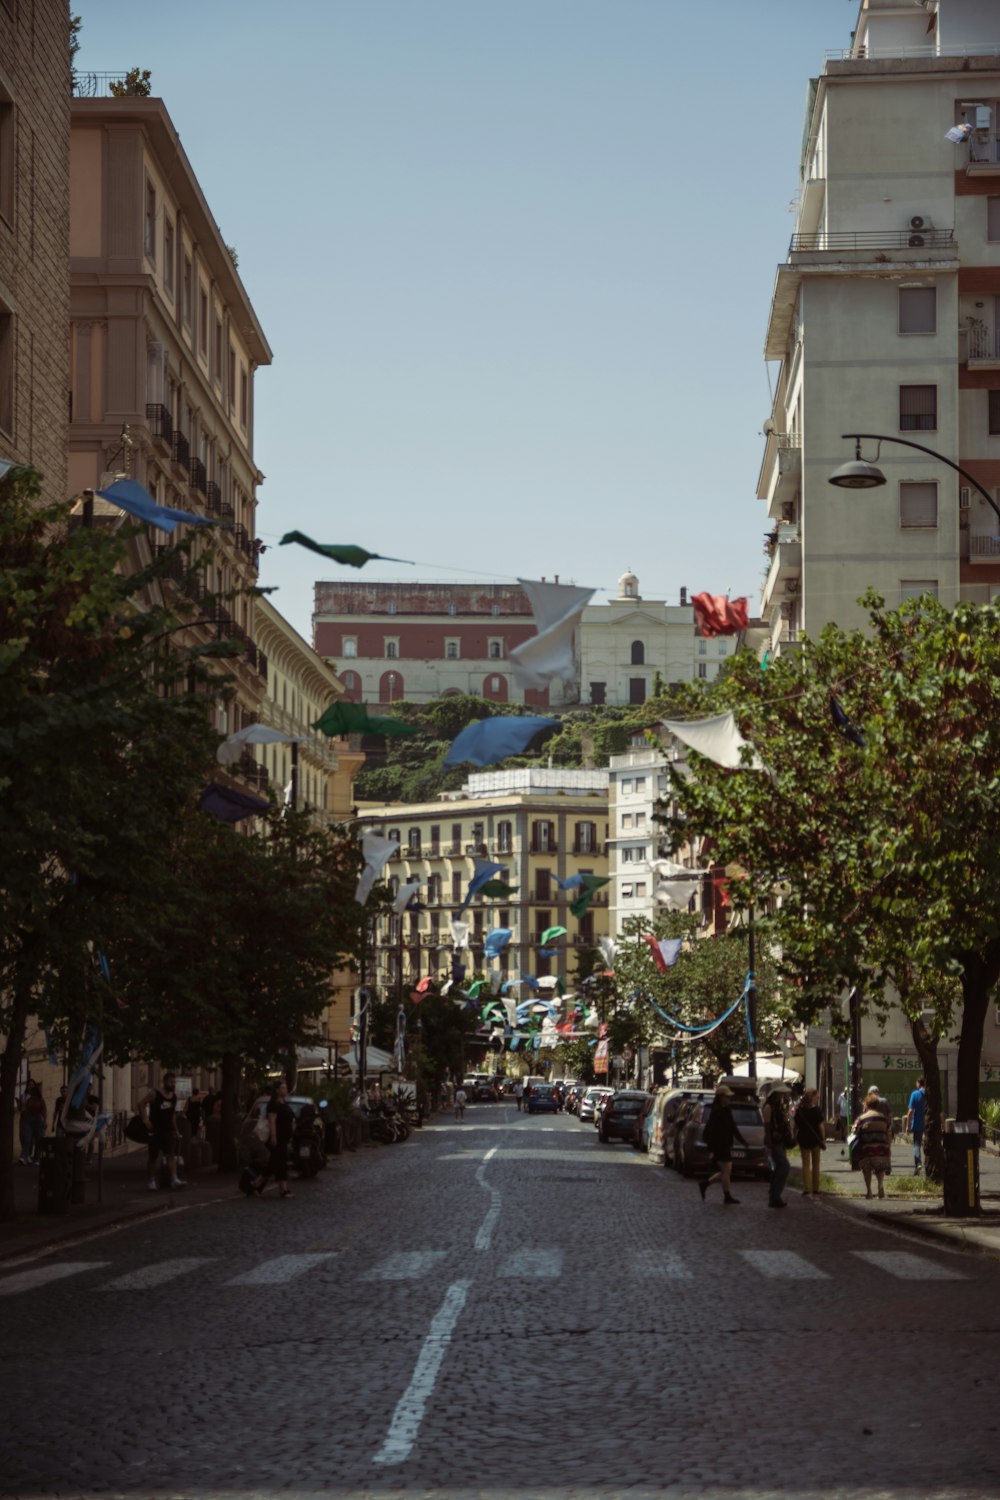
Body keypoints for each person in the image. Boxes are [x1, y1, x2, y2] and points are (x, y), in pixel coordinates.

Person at [699, 1085, 746, 1205]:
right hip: (719, 1145)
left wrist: (742, 1140)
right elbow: (713, 1130)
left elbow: (733, 1127)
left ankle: (705, 1184)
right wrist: (712, 1149)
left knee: (726, 1170)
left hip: (724, 1144)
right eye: (727, 1096)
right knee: (726, 1170)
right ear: (720, 1097)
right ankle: (727, 1196)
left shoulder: (725, 1109)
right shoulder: (718, 1111)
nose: (729, 1098)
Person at [142, 1072, 186, 1190]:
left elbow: (172, 1115)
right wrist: (145, 1119)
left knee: (171, 1155)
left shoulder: (173, 1097)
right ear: (164, 1082)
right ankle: (151, 1180)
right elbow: (141, 1104)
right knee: (153, 1157)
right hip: (155, 1130)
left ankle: (174, 1179)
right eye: (171, 1082)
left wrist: (176, 1130)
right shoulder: (155, 1094)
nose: (173, 1084)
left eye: (174, 1082)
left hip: (168, 1130)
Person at [855, 1086, 893, 1199]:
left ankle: (869, 1191)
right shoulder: (883, 1118)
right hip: (881, 1148)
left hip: (866, 1149)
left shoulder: (861, 1119)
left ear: (867, 1104)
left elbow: (856, 1133)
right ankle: (880, 1186)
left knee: (867, 1170)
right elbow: (888, 1133)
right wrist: (888, 1147)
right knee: (880, 1168)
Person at [763, 1083, 794, 1208]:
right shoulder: (769, 1106)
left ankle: (775, 1196)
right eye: (781, 1093)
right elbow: (767, 1126)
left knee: (780, 1168)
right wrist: (769, 1145)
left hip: (780, 1141)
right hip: (773, 1142)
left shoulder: (779, 1106)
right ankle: (774, 1196)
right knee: (784, 1166)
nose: (783, 1095)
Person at [263, 1079, 295, 1199]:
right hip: (279, 1138)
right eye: (282, 1087)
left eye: (285, 1087)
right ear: (277, 1090)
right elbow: (272, 1121)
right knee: (281, 1163)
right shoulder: (274, 1104)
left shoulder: (284, 1102)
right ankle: (283, 1189)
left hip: (285, 1138)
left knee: (274, 1164)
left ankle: (256, 1183)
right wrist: (274, 1136)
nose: (285, 1090)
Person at [795, 1086, 826, 1196]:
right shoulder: (816, 1111)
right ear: (812, 1097)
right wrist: (823, 1139)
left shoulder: (800, 1111)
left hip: (803, 1139)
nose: (817, 1098)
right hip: (815, 1140)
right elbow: (821, 1126)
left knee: (805, 1164)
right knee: (816, 1164)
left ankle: (807, 1188)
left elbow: (796, 1125)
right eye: (816, 1096)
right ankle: (816, 1188)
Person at [18, 1083, 46, 1165]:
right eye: (30, 1092)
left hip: (38, 1121)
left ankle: (37, 1159)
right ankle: (23, 1157)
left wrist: (44, 1121)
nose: (31, 1094)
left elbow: (44, 1111)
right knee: (27, 1139)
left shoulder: (41, 1100)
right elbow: (26, 1111)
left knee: (38, 1140)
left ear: (36, 1092)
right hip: (29, 1121)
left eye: (32, 1092)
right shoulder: (29, 1101)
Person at [906, 1076, 926, 1175]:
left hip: (917, 1123)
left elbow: (910, 1112)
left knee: (917, 1144)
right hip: (929, 1124)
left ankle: (918, 1163)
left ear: (918, 1083)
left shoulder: (915, 1094)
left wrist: (907, 1126)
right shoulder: (930, 1094)